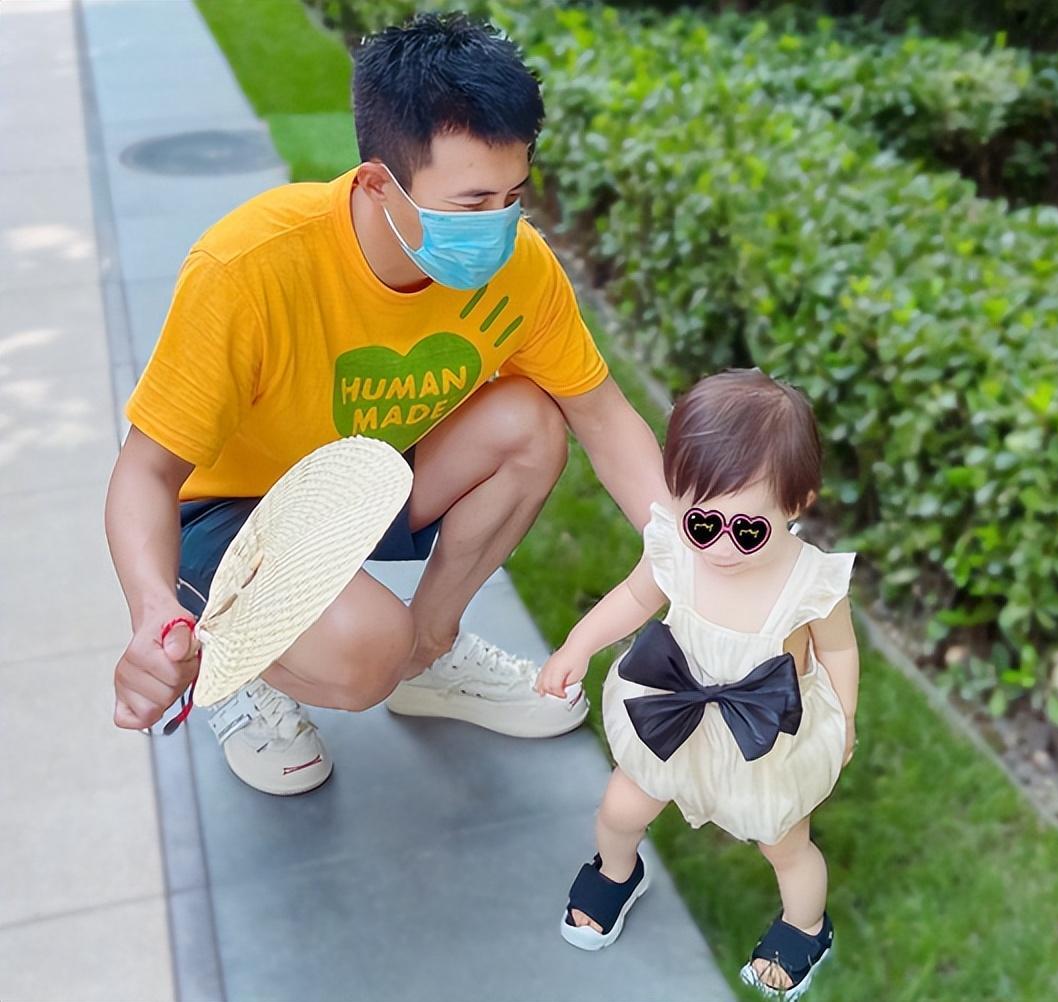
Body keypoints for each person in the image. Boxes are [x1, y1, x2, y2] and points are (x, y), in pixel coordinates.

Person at [105, 12, 666, 796]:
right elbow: (145, 471)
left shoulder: (521, 269)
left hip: (361, 483)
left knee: (532, 425)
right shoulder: (249, 267)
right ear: (377, 183)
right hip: (226, 516)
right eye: (471, 203)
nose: (499, 226)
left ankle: (429, 655)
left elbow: (602, 415)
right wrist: (152, 611)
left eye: (514, 196)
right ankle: (234, 660)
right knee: (367, 646)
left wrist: (690, 546)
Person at [535, 369, 859, 998]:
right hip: (674, 715)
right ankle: (617, 871)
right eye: (702, 522)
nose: (720, 547)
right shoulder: (675, 549)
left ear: (797, 505)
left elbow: (839, 648)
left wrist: (845, 716)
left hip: (766, 739)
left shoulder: (810, 582)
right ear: (677, 493)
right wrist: (578, 645)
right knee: (619, 809)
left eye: (748, 530)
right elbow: (634, 598)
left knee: (785, 845)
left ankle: (805, 926)